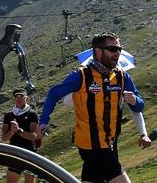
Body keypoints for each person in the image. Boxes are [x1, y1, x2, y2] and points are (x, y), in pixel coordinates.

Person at [37, 33, 149, 183]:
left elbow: (139, 106)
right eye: (112, 49)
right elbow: (53, 94)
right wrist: (43, 121)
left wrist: (135, 100)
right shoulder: (81, 76)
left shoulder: (122, 76)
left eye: (119, 49)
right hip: (91, 143)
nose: (117, 53)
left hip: (110, 141)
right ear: (97, 51)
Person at [1, 89, 39, 183]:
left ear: (27, 99)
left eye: (21, 96)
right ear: (13, 99)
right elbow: (4, 138)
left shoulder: (32, 114)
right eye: (16, 97)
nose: (18, 99)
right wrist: (12, 132)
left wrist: (19, 131)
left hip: (29, 152)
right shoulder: (8, 116)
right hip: (15, 153)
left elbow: (34, 136)